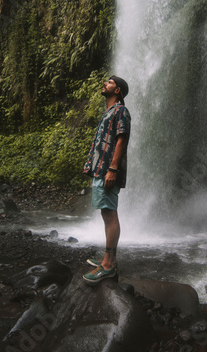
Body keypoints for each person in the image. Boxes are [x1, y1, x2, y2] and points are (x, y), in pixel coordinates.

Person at [82, 75, 131, 285]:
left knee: (110, 214)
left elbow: (122, 139)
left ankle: (109, 265)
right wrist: (91, 168)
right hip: (100, 170)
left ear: (117, 90)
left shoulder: (120, 111)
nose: (105, 83)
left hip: (108, 170)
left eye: (110, 82)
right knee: (106, 213)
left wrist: (112, 169)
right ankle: (107, 258)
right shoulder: (107, 112)